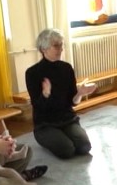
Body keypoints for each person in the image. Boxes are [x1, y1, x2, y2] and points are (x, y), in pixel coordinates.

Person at [25, 28, 96, 159]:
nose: (61, 49)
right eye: (56, 46)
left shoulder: (67, 68)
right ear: (43, 48)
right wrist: (45, 94)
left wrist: (80, 93)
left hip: (67, 120)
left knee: (84, 147)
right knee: (67, 150)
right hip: (45, 124)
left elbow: (72, 102)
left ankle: (63, 135)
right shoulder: (32, 73)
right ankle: (47, 138)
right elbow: (37, 106)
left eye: (62, 45)